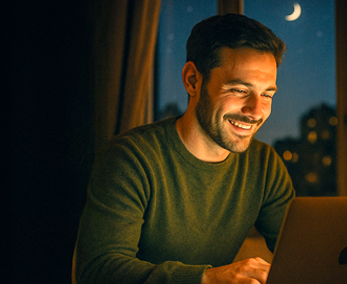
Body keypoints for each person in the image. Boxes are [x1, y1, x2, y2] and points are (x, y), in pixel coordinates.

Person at [75, 14, 295, 284]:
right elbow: (97, 271)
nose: (256, 111)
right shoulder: (130, 158)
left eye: (267, 95)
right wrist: (208, 279)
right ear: (192, 80)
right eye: (239, 90)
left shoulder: (264, 164)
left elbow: (304, 253)